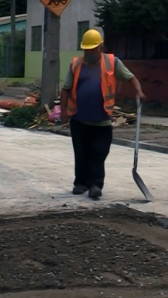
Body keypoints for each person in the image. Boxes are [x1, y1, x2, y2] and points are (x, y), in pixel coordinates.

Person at [60, 29, 146, 199]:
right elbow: (66, 89)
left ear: (101, 47)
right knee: (81, 152)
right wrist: (63, 111)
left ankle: (95, 184)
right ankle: (80, 183)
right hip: (79, 119)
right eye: (87, 50)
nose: (90, 53)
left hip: (102, 121)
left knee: (98, 153)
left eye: (93, 49)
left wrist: (139, 91)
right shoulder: (76, 64)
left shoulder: (112, 62)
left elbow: (131, 78)